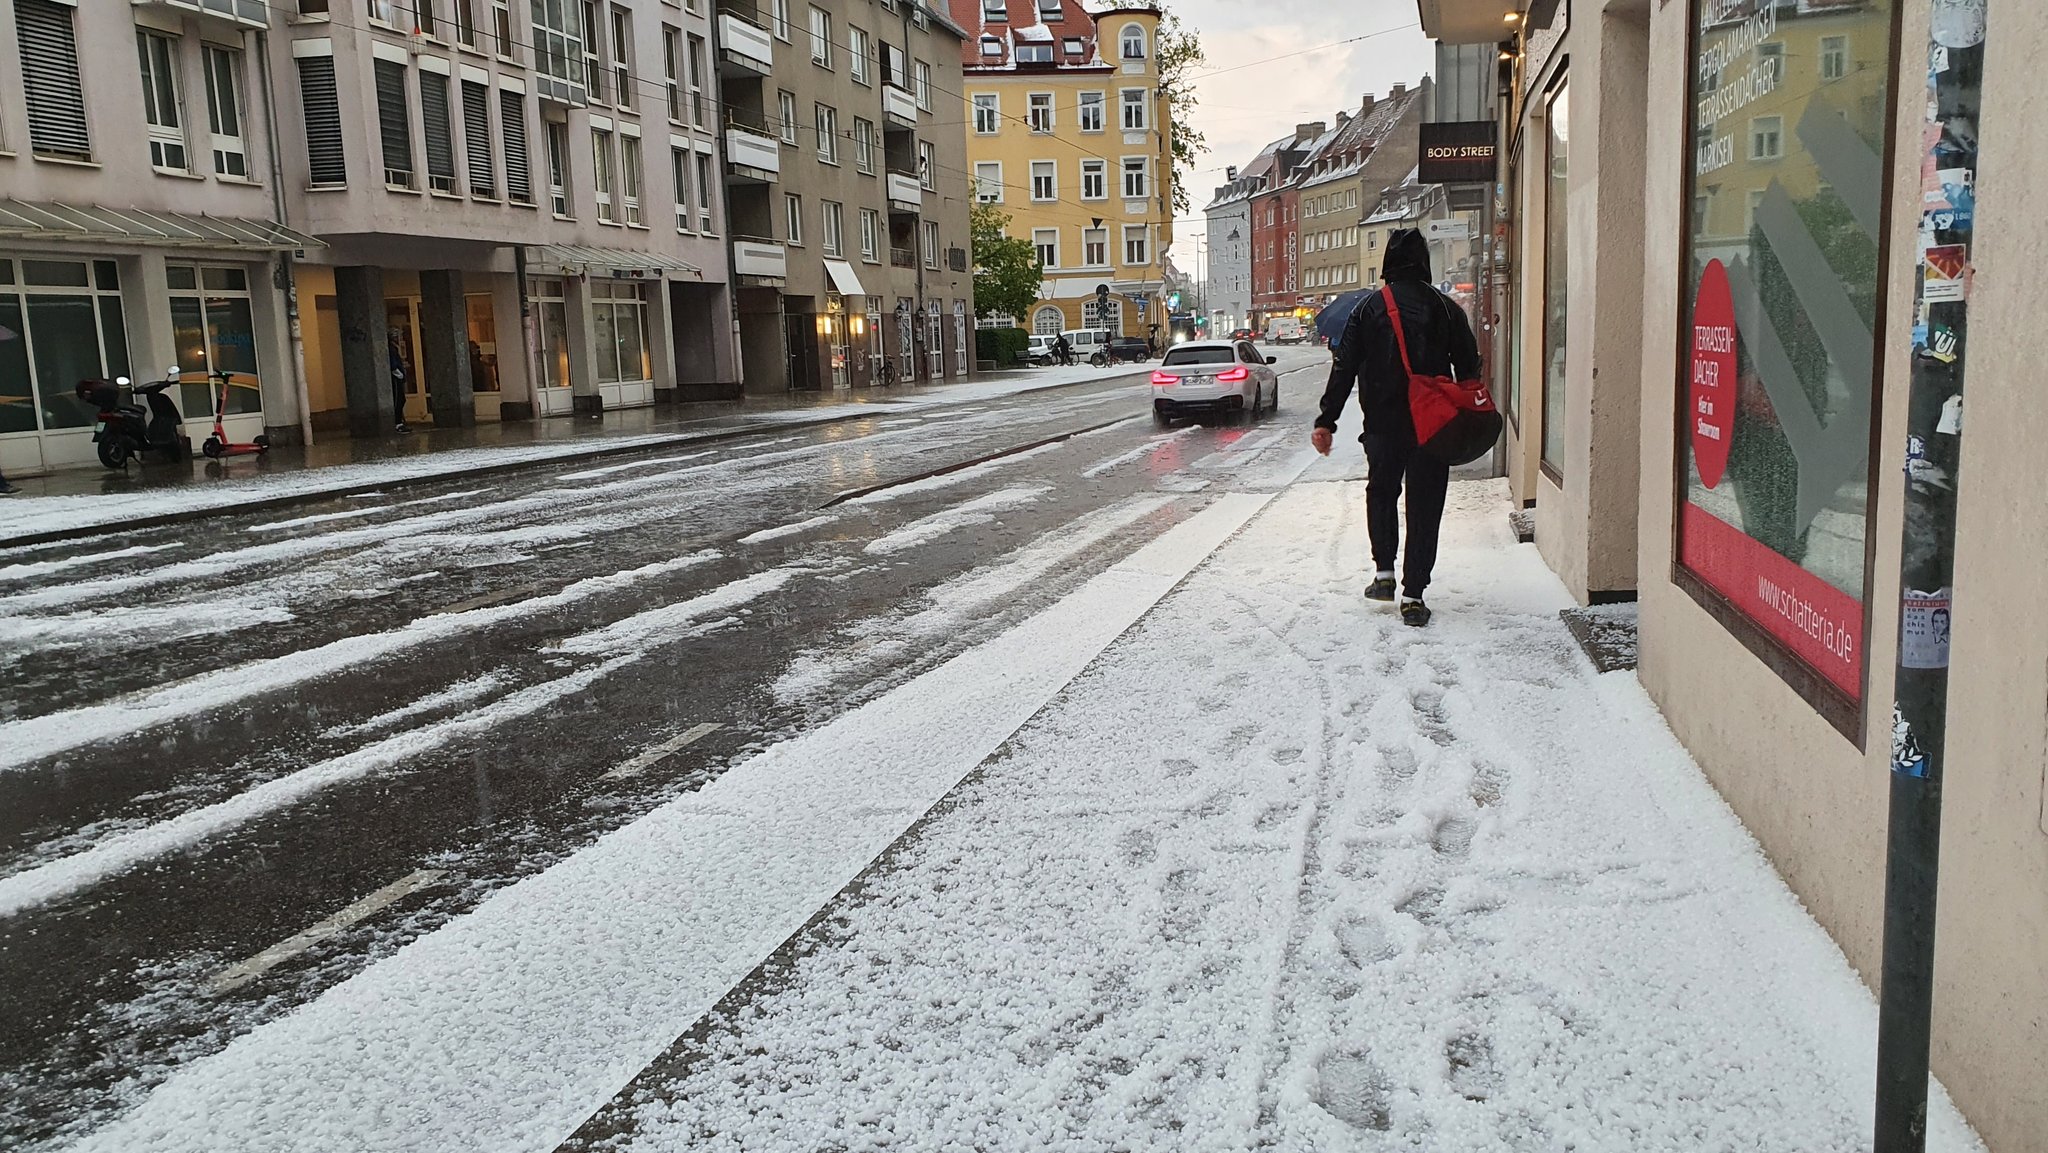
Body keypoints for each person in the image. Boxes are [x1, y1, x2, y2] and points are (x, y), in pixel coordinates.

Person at [1311, 228, 1481, 628]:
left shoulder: (1368, 309)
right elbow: (1470, 366)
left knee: (1382, 493)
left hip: (1384, 425)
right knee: (1425, 506)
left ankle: (1384, 574)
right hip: (1433, 426)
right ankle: (1414, 594)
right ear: (1424, 262)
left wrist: (1326, 420)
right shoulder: (1446, 309)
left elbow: (1344, 367)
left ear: (1387, 263)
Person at [388, 329, 410, 433]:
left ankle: (399, 422)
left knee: (401, 400)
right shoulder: (392, 349)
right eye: (397, 337)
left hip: (398, 378)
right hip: (396, 379)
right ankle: (397, 423)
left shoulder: (393, 348)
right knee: (398, 400)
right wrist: (400, 375)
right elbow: (393, 365)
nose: (398, 339)